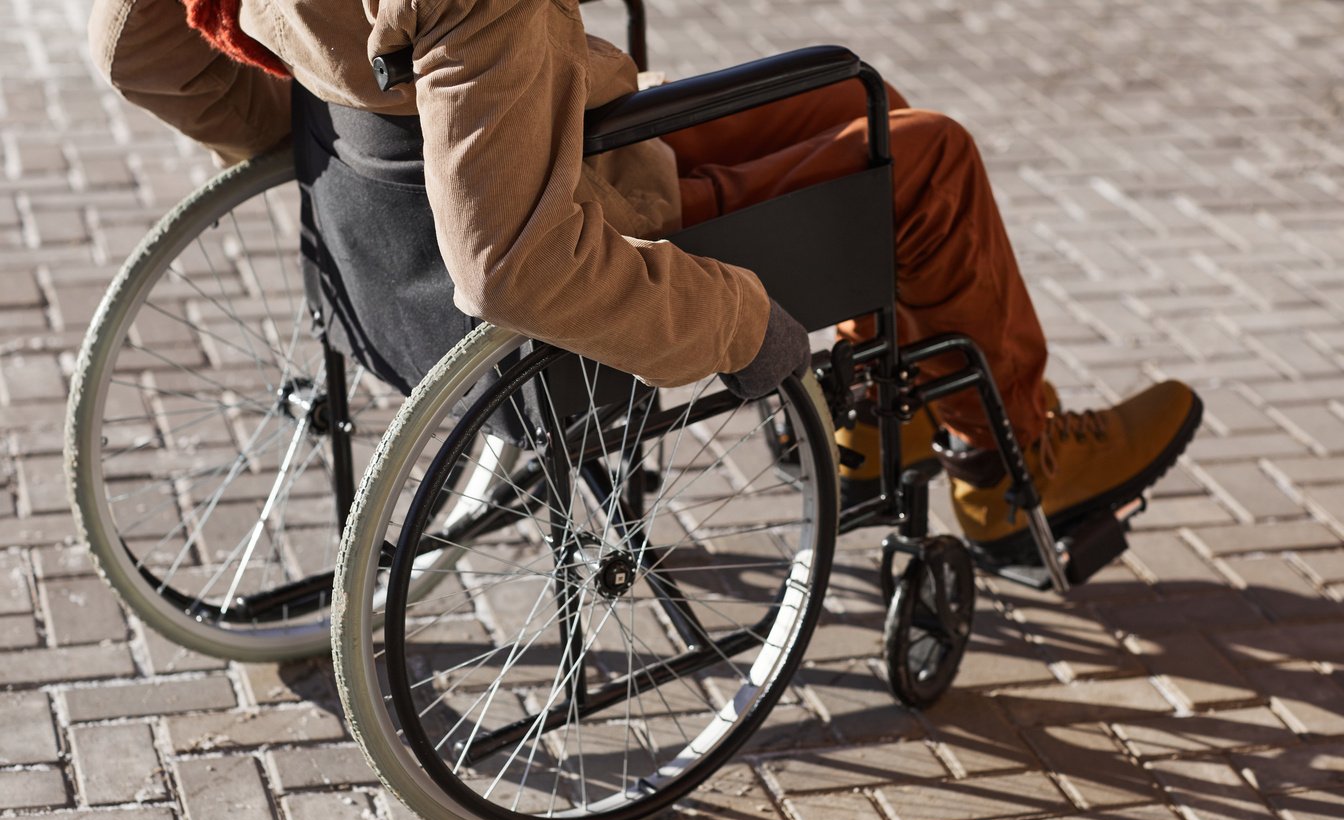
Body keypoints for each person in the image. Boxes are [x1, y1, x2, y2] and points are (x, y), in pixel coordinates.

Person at [87, 0, 1202, 566]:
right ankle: (1014, 470)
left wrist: (332, 145)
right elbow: (522, 266)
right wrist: (741, 329)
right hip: (601, 220)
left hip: (540, 146)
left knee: (858, 97)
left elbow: (134, 48)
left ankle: (888, 423)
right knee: (930, 158)